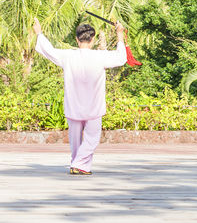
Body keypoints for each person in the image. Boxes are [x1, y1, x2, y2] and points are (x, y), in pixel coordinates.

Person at [33, 18, 127, 175]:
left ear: (77, 39)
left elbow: (48, 50)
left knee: (75, 142)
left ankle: (78, 165)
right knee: (92, 139)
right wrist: (119, 35)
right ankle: (79, 165)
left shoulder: (68, 56)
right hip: (94, 106)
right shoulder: (100, 56)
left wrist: (39, 32)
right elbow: (121, 58)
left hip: (74, 105)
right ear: (93, 40)